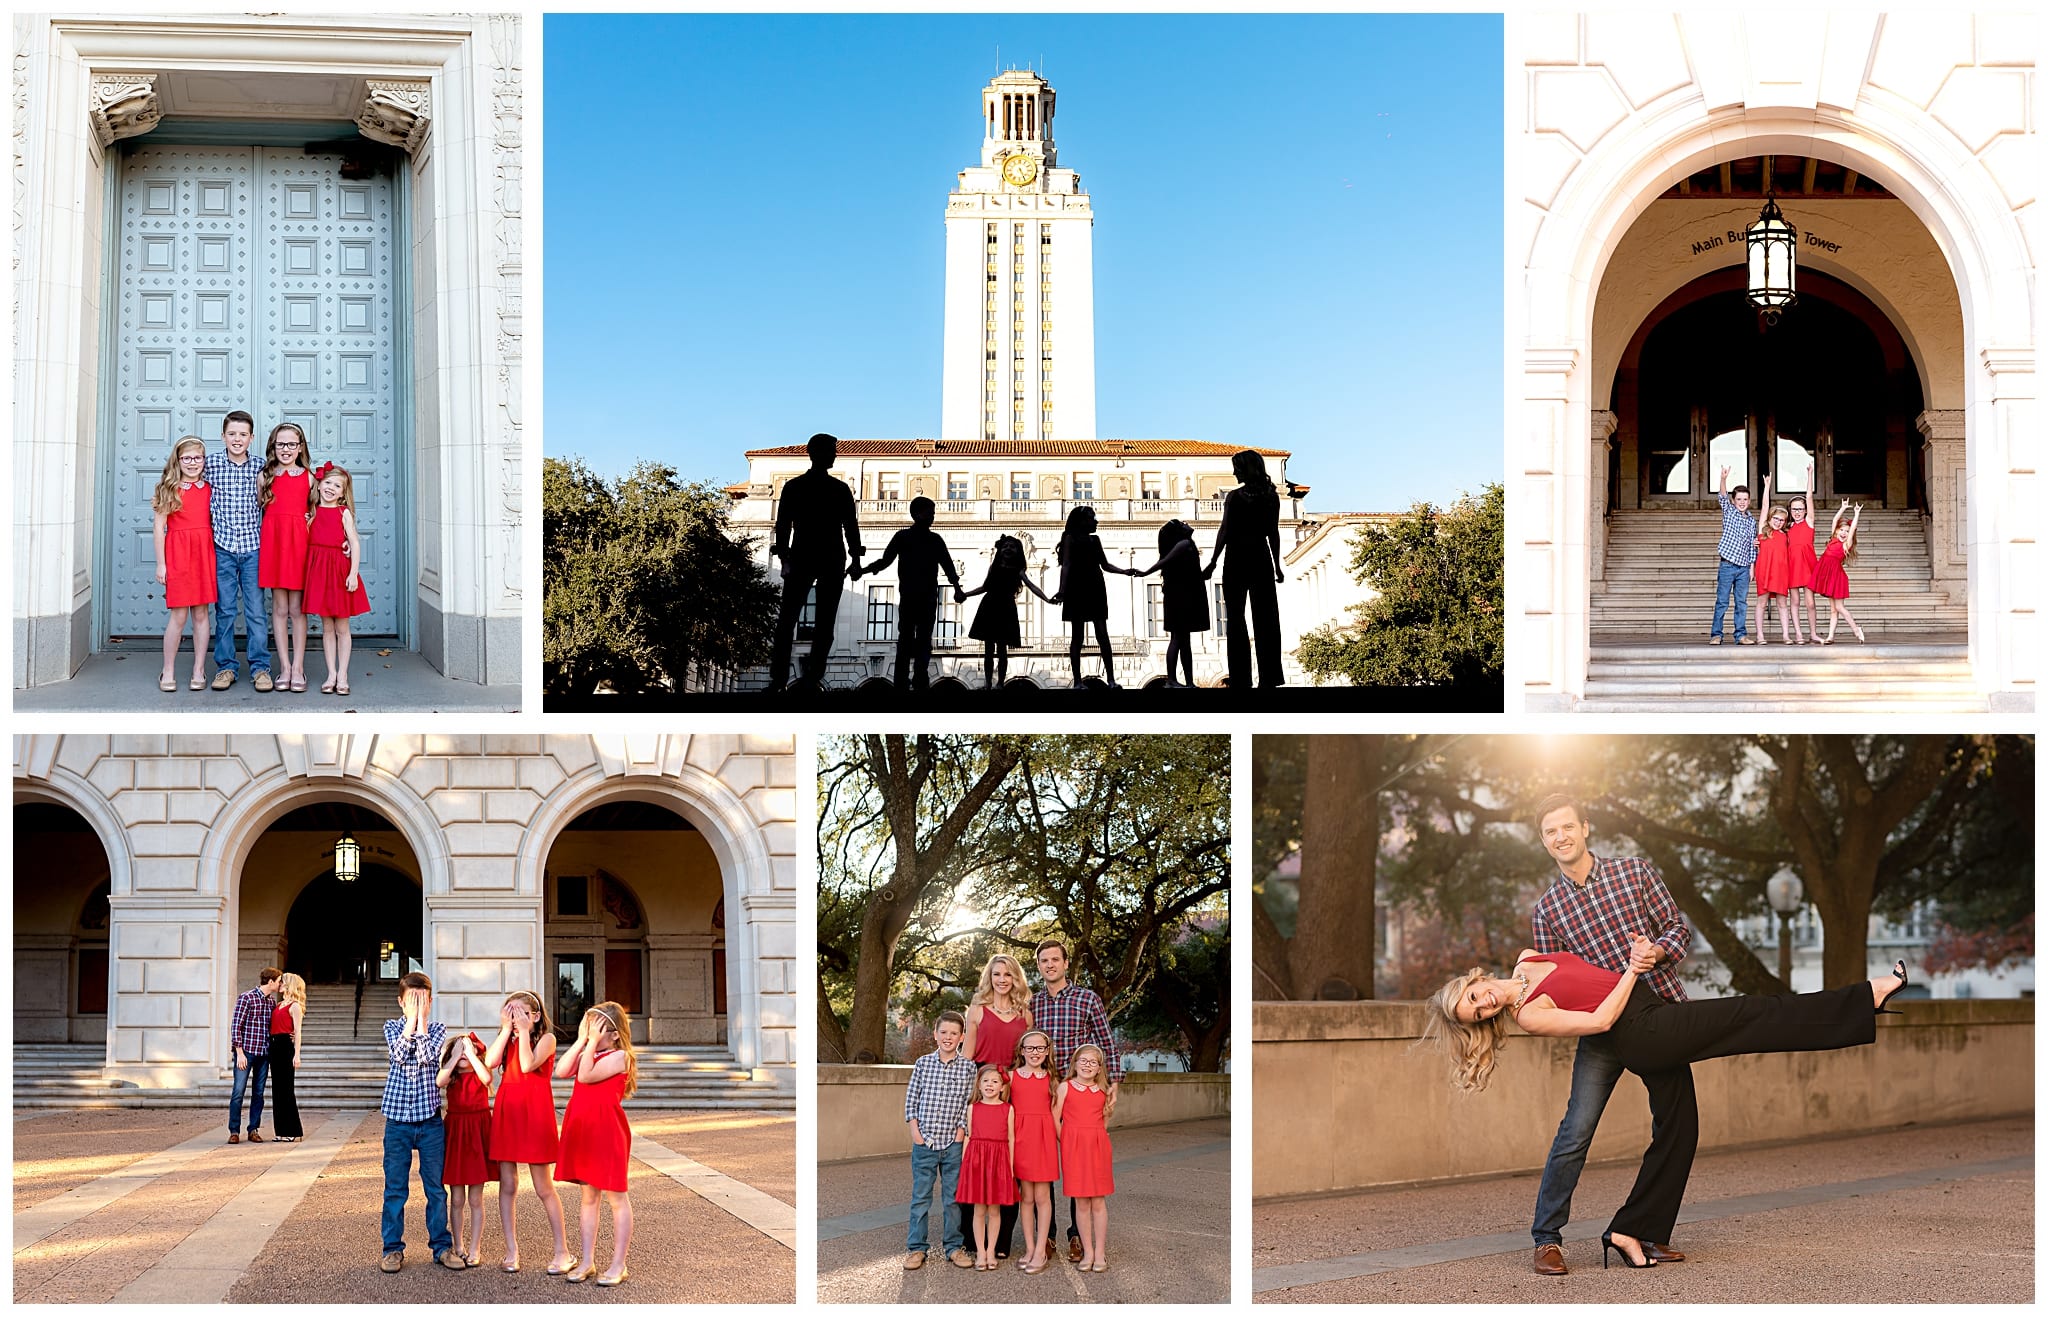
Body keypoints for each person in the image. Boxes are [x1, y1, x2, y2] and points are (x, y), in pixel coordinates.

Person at [1424, 950, 1907, 1269]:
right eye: (1479, 1014)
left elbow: (1590, 977)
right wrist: (1633, 969)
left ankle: (1631, 1231)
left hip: (1650, 1013)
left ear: (1474, 979)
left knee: (1681, 1128)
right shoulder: (1530, 1013)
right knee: (1753, 1013)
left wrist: (1642, 959)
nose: (1484, 1004)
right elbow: (1599, 1019)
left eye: (1474, 997)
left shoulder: (1530, 958)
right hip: (1644, 1030)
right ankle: (1870, 995)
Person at [1519, 793, 1694, 1276]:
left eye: (1567, 827)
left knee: (1675, 1127)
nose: (1561, 836)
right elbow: (1553, 981)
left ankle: (1646, 1231)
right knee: (1576, 1130)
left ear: (1585, 827)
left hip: (1657, 1015)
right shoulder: (1548, 911)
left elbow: (1677, 930)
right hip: (1601, 1033)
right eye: (1550, 832)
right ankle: (1546, 1238)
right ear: (1544, 841)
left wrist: (1655, 953)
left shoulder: (1634, 872)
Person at [1029, 939, 1121, 1262]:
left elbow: (1107, 1043)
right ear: (1039, 965)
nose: (1050, 965)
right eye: (1044, 960)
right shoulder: (1034, 1003)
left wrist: (1114, 1083)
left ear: (1066, 963)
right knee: (1042, 1166)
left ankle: (1077, 1238)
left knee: (1076, 1162)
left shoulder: (1087, 999)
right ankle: (1047, 1235)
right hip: (1042, 1091)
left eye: (1055, 959)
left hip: (1074, 1090)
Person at [378, 971, 466, 1273]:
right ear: (401, 1002)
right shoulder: (391, 1027)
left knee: (436, 1189)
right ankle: (392, 1249)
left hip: (429, 1122)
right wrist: (412, 1023)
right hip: (398, 1121)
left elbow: (428, 1056)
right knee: (395, 1190)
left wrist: (422, 1023)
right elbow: (399, 1056)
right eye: (412, 1001)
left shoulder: (438, 1029)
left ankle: (441, 1247)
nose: (417, 1005)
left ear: (430, 1001)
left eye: (423, 1000)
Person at [484, 990, 576, 1275]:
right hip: (508, 1111)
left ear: (534, 1016)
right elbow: (490, 1062)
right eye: (509, 1012)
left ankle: (563, 1251)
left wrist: (523, 1032)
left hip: (534, 1114)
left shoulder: (547, 1039)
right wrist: (504, 1030)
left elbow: (526, 1064)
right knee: (507, 1185)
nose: (513, 1018)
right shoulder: (508, 1039)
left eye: (519, 1012)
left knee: (543, 1187)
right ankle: (511, 1251)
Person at [768, 432, 864, 691]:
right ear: (816, 453)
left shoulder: (795, 487)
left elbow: (783, 526)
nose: (835, 454)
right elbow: (850, 527)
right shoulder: (838, 489)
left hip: (807, 555)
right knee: (822, 621)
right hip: (827, 556)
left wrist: (785, 558)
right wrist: (855, 559)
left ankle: (781, 679)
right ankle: (809, 678)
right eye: (832, 450)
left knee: (790, 619)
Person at [555, 1001, 637, 1286]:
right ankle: (587, 1261)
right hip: (583, 1130)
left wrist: (588, 1045)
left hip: (607, 1131)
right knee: (588, 1197)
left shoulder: (619, 1056)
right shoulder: (589, 1052)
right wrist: (581, 1041)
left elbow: (587, 1075)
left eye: (596, 1027)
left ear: (614, 1033)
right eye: (587, 1025)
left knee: (616, 1197)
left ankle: (618, 1264)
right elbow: (562, 1070)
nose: (590, 1032)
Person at [956, 954, 1032, 1257]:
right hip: (981, 1086)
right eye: (997, 974)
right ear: (990, 977)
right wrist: (963, 1098)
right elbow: (966, 1057)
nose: (1002, 979)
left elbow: (1028, 1056)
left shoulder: (1025, 1014)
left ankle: (1001, 1243)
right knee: (974, 1162)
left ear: (1016, 979)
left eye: (1008, 975)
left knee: (1007, 1167)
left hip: (1012, 1091)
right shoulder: (976, 1011)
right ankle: (970, 1238)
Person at [854, 495, 960, 691]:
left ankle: (911, 679)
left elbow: (948, 566)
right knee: (914, 639)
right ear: (918, 514)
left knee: (914, 639)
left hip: (919, 597)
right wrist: (863, 571)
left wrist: (957, 588)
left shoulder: (913, 538)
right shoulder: (916, 538)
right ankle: (910, 680)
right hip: (918, 597)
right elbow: (885, 562)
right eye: (930, 513)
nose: (933, 517)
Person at [1202, 450, 1285, 688]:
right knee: (1266, 618)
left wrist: (1213, 561)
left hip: (1236, 558)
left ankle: (1241, 678)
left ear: (1246, 469)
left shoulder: (1235, 498)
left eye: (1236, 467)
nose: (1234, 472)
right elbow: (1273, 533)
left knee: (1236, 619)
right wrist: (1277, 565)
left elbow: (1225, 530)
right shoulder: (1271, 497)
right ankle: (1269, 677)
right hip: (1260, 558)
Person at [205, 410, 273, 691]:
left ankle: (260, 668)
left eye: (243, 434)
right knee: (225, 611)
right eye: (232, 434)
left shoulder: (261, 467)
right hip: (222, 548)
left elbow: (282, 502)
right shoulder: (210, 464)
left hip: (253, 549)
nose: (237, 439)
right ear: (223, 436)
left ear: (251, 437)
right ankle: (226, 667)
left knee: (257, 610)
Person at [902, 1009, 975, 1271]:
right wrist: (915, 1132)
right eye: (943, 1032)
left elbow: (969, 1103)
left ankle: (953, 1247)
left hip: (952, 1142)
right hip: (925, 1142)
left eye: (954, 1033)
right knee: (921, 1197)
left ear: (962, 1037)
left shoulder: (969, 1067)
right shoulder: (923, 1064)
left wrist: (961, 1132)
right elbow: (912, 1099)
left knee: (953, 1198)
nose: (948, 1037)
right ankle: (916, 1248)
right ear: (935, 1034)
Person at [154, 437, 217, 692]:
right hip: (178, 553)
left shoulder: (210, 488)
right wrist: (161, 564)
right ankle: (168, 669)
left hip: (203, 552)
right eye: (187, 458)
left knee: (201, 614)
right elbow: (159, 528)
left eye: (197, 458)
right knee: (178, 615)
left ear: (204, 460)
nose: (192, 463)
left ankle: (199, 669)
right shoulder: (169, 488)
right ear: (178, 461)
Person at [1050, 505, 1136, 687]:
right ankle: (1078, 681)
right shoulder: (1070, 539)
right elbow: (1066, 565)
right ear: (1081, 521)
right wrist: (1062, 590)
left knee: (1102, 634)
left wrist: (1124, 571)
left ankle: (1111, 679)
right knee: (1078, 636)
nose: (1095, 521)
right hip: (1077, 587)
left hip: (1094, 585)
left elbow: (1105, 565)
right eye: (1091, 518)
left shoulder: (1095, 540)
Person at [257, 423, 315, 692]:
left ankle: (299, 667)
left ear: (300, 447)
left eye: (292, 444)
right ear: (273, 446)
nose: (286, 449)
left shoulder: (310, 477)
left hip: (299, 545)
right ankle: (284, 667)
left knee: (297, 610)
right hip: (275, 544)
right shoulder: (265, 476)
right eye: (281, 444)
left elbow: (319, 514)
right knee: (280, 609)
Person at [304, 463, 370, 696]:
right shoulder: (311, 512)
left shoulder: (343, 513)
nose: (331, 488)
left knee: (342, 626)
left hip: (339, 572)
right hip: (319, 573)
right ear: (319, 485)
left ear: (343, 493)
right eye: (328, 483)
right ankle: (331, 673)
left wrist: (353, 573)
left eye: (338, 486)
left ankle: (343, 674)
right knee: (327, 627)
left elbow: (354, 543)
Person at [958, 533, 1050, 689]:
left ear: (1017, 551)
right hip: (990, 606)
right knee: (988, 650)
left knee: (1002, 650)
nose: (1008, 548)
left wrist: (1046, 599)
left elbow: (1031, 586)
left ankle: (1000, 683)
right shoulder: (993, 567)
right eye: (1006, 546)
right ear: (1000, 550)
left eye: (1012, 546)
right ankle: (988, 683)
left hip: (1005, 608)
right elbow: (984, 587)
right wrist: (965, 594)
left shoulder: (1017, 570)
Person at [436, 1029, 494, 1267]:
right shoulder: (452, 1076)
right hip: (456, 1133)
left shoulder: (481, 1073)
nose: (463, 1053)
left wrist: (470, 1053)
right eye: (459, 1050)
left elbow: (487, 1078)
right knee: (457, 1198)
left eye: (468, 1049)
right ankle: (458, 1245)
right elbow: (440, 1080)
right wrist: (454, 1055)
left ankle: (475, 1248)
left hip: (478, 1132)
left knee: (476, 1198)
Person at [1055, 1043, 1115, 1272]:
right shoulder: (1065, 1087)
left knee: (1098, 1202)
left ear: (1099, 1068)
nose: (1088, 1065)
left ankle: (1100, 1252)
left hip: (1098, 1147)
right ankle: (1087, 1252)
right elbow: (1055, 1118)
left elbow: (1104, 1122)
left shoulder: (1103, 1091)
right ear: (1075, 1064)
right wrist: (1067, 1142)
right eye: (1084, 1061)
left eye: (1093, 1062)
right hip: (1074, 1148)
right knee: (1081, 1202)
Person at [1008, 1030, 1062, 1274]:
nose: (1035, 1052)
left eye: (1040, 1048)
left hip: (1043, 1141)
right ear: (1021, 1051)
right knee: (1026, 1198)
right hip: (1019, 1139)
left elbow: (1057, 1116)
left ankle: (1041, 1250)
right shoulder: (1010, 1078)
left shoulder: (1052, 1080)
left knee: (1042, 1197)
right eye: (1029, 1048)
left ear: (1047, 1051)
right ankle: (1029, 1248)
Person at [1133, 519, 1209, 687]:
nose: (1186, 523)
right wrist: (1146, 572)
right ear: (1180, 531)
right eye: (1182, 523)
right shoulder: (1184, 544)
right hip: (1182, 596)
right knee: (1178, 638)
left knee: (1182, 639)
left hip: (1182, 594)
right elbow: (1165, 561)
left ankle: (1186, 681)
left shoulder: (1187, 544)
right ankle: (1173, 680)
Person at [956, 1064, 1017, 1271]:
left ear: (1002, 1086)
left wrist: (1009, 1168)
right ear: (979, 1085)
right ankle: (980, 1252)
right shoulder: (973, 1108)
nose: (990, 1085)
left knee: (995, 1210)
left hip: (998, 1161)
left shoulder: (1008, 1109)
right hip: (977, 1161)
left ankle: (991, 1250)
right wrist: (966, 1164)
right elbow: (969, 1136)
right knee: (979, 1210)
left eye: (995, 1081)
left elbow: (1011, 1138)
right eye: (985, 1081)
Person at [227, 966, 281, 1143]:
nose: (281, 984)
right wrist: (239, 1052)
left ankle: (253, 1130)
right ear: (271, 981)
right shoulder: (246, 997)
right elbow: (236, 1027)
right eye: (279, 981)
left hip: (263, 1054)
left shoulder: (271, 1002)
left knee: (258, 1093)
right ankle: (234, 1131)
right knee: (238, 1092)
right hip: (246, 1053)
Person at [1709, 465, 1758, 646]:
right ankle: (1716, 634)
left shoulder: (1752, 521)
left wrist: (1752, 567)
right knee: (1722, 601)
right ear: (1734, 500)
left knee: (1741, 603)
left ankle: (1741, 635)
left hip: (1744, 568)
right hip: (1728, 565)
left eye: (1745, 499)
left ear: (1749, 501)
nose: (1742, 502)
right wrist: (1723, 479)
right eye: (1739, 499)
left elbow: (1753, 547)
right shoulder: (1729, 513)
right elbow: (1722, 496)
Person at [1751, 479, 1802, 645]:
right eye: (1776, 518)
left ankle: (1786, 635)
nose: (1779, 522)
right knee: (1762, 603)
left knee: (1782, 604)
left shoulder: (1786, 535)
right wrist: (1766, 487)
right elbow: (1765, 506)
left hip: (1781, 572)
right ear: (1770, 518)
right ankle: (1760, 635)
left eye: (1782, 520)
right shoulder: (1763, 531)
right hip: (1764, 570)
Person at [1811, 501, 1865, 644]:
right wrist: (1842, 508)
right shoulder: (1833, 540)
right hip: (1828, 577)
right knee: (1833, 610)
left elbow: (1853, 529)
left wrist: (1856, 513)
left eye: (1846, 532)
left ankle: (1856, 629)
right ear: (1836, 531)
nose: (1844, 533)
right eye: (1841, 530)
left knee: (1839, 607)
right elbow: (1835, 520)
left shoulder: (1846, 545)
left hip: (1837, 578)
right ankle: (1830, 637)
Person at [270, 972, 306, 1142]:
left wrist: (297, 1054)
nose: (281, 984)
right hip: (274, 1047)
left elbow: (298, 1031)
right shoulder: (278, 1005)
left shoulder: (295, 1006)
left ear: (290, 985)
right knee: (277, 1091)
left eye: (283, 982)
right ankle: (280, 1130)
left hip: (285, 1047)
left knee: (286, 1090)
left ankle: (292, 1130)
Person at [1784, 463, 1819, 640]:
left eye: (1800, 509)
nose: (1797, 512)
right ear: (1790, 510)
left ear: (1805, 510)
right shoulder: (1787, 527)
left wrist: (1809, 475)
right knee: (1795, 602)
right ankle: (1798, 633)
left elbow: (1809, 497)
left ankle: (1813, 633)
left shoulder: (1809, 522)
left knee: (1810, 603)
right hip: (1792, 566)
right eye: (1794, 509)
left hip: (1808, 565)